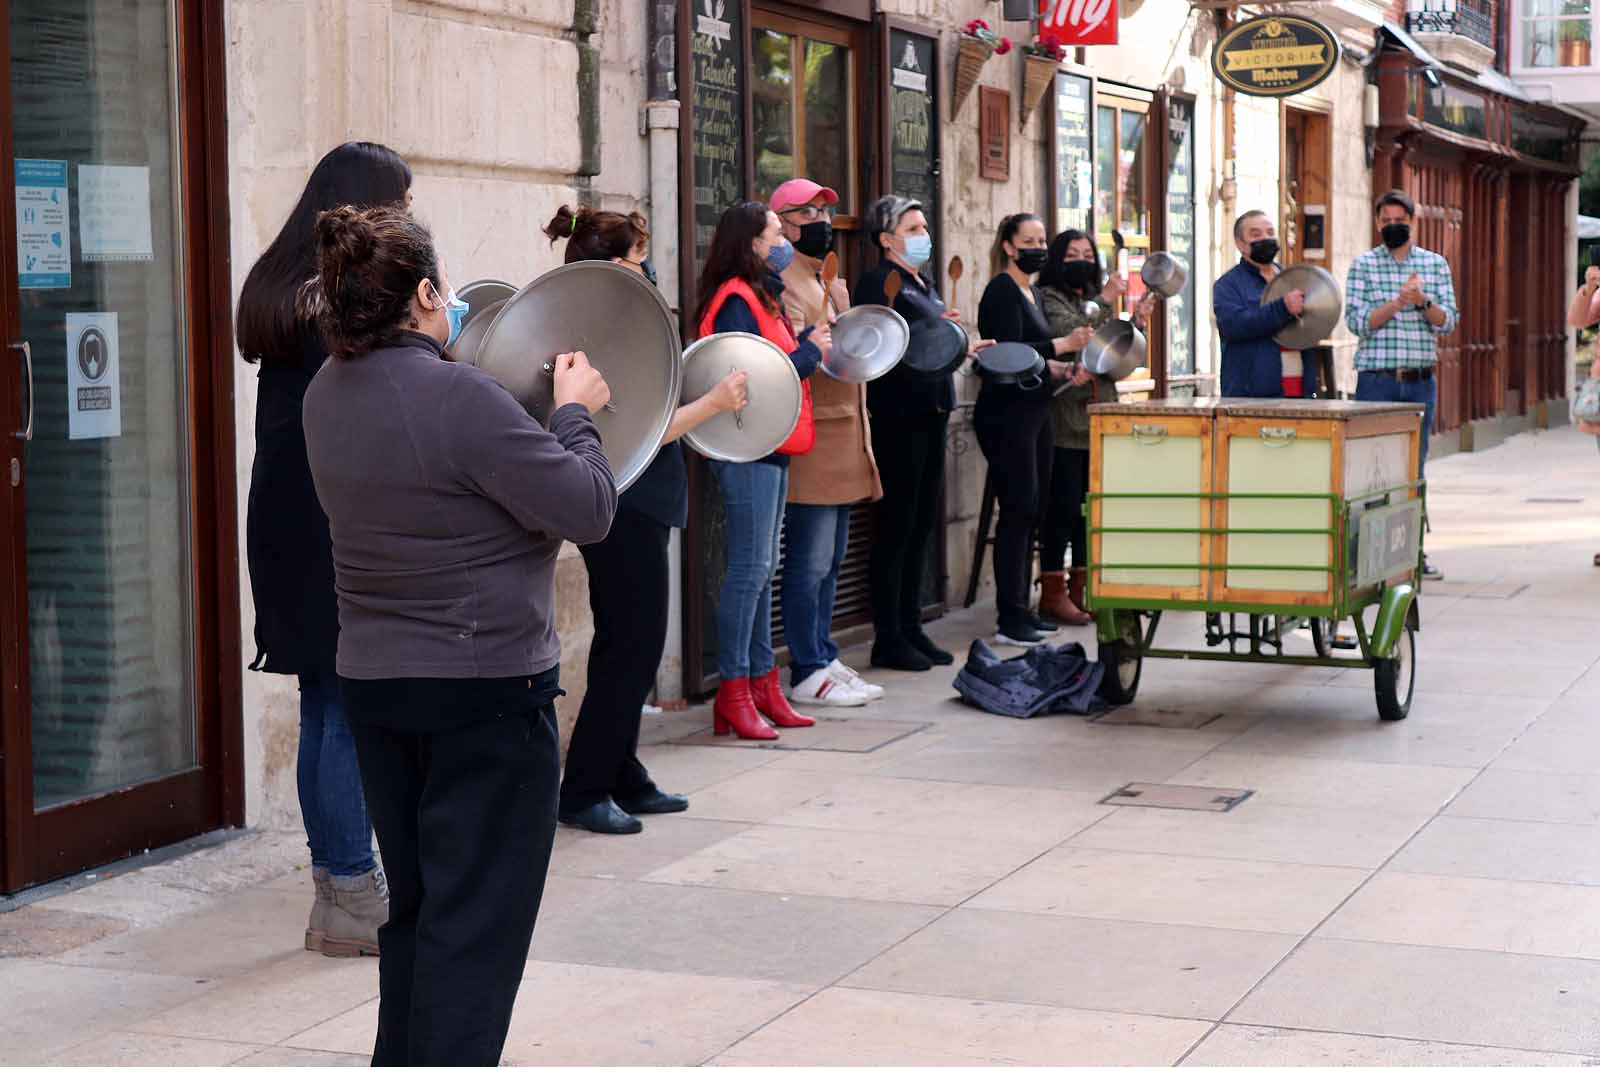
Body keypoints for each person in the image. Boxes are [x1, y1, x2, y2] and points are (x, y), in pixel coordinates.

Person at [301, 204, 616, 1065]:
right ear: (428, 293)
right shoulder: (458, 396)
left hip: (378, 690)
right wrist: (575, 411)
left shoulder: (324, 392)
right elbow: (589, 506)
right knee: (473, 939)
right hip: (484, 694)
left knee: (422, 918)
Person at [237, 141, 408, 958]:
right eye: (399, 204)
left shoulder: (281, 282)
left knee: (323, 702)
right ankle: (351, 889)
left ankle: (335, 890)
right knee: (342, 706)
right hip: (329, 511)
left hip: (282, 510)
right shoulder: (337, 294)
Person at [542, 205, 749, 834]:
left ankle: (622, 772)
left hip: (639, 504)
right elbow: (642, 431)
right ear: (612, 265)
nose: (648, 269)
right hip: (625, 503)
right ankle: (585, 788)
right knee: (628, 649)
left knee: (634, 645)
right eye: (638, 257)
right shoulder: (599, 331)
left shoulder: (613, 322)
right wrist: (714, 403)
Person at [695, 202, 831, 739]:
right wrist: (809, 356)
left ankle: (761, 684)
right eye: (776, 233)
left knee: (763, 568)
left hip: (769, 444)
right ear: (751, 242)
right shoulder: (736, 299)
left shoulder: (761, 294)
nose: (783, 243)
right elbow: (752, 379)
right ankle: (734, 690)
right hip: (746, 445)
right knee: (750, 571)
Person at [854, 196, 987, 670]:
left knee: (920, 527)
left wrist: (961, 343)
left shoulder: (922, 283)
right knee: (895, 527)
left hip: (932, 409)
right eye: (912, 228)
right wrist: (934, 330)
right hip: (899, 416)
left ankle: (911, 625)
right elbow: (884, 343)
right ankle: (888, 635)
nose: (922, 235)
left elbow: (930, 342)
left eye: (924, 226)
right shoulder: (880, 282)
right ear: (886, 238)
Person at [769, 179, 885, 707]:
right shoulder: (782, 281)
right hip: (813, 433)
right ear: (782, 223)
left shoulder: (828, 277)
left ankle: (824, 651)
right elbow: (796, 354)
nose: (820, 220)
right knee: (809, 560)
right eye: (807, 212)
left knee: (834, 558)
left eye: (824, 210)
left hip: (846, 430)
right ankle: (807, 665)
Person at [975, 213, 1083, 647]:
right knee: (1017, 510)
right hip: (1007, 415)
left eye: (1042, 239)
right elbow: (1009, 351)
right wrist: (1062, 345)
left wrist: (1061, 369)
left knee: (1033, 510)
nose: (1038, 246)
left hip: (1037, 410)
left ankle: (1022, 607)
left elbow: (1035, 360)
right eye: (1029, 240)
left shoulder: (1033, 292)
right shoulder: (1002, 290)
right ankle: (1009, 615)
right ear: (1008, 246)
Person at [1037, 229, 1155, 625]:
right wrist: (1106, 301)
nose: (1081, 260)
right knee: (1064, 508)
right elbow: (1080, 336)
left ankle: (1082, 587)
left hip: (1100, 417)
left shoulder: (1087, 301)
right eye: (1072, 253)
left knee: (1092, 511)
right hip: (1066, 419)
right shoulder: (1049, 298)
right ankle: (1052, 591)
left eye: (1088, 253)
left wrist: (1133, 322)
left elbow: (1113, 354)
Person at [1345, 188, 1458, 581]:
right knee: (1369, 469)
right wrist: (1397, 302)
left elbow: (1448, 322)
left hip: (1419, 384)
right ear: (1377, 223)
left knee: (1414, 467)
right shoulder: (1363, 266)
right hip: (1376, 383)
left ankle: (1413, 554)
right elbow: (1357, 322)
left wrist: (1422, 301)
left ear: (1414, 222)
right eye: (1386, 221)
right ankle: (1365, 557)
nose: (1393, 226)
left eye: (1400, 221)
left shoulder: (1435, 264)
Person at [1213, 210, 1307, 398]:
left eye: (1270, 233)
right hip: (1250, 396)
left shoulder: (1293, 279)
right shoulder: (1229, 284)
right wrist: (1282, 308)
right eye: (1256, 235)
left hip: (1296, 392)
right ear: (1240, 244)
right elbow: (1234, 325)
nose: (1266, 238)